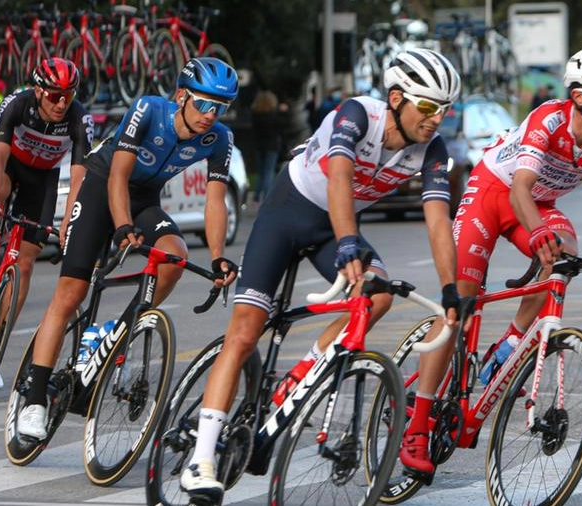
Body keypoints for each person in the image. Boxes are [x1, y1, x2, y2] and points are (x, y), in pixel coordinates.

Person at [178, 47, 464, 502]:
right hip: (289, 212)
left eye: (445, 109)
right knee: (246, 331)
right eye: (428, 106)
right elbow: (338, 179)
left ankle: (301, 374)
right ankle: (202, 459)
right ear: (396, 98)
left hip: (333, 225)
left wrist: (450, 287)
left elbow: (437, 219)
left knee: (378, 294)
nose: (436, 118)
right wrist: (349, 241)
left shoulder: (431, 150)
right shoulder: (357, 115)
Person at [398, 45, 582, 478]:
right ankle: (416, 423)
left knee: (565, 258)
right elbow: (520, 187)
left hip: (539, 203)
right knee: (460, 304)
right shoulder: (550, 118)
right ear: (578, 95)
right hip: (493, 193)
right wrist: (538, 230)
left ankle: (508, 346)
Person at [15, 56, 240, 442]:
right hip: (103, 186)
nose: (210, 115)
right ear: (181, 96)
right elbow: (118, 174)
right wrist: (121, 228)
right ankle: (35, 400)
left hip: (145, 198)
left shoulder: (218, 139)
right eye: (203, 104)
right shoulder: (148, 110)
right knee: (71, 293)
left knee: (175, 255)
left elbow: (215, 200)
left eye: (220, 107)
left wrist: (219, 255)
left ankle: (116, 332)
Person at [0, 58, 92, 391]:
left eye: (68, 95)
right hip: (9, 164)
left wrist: (71, 220)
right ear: (39, 90)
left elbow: (80, 174)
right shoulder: (17, 103)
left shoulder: (78, 117)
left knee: (24, 264)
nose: (61, 102)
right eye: (55, 95)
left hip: (43, 179)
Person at [250, 89, 289, 204]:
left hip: (259, 145)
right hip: (272, 146)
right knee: (269, 171)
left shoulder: (255, 115)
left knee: (261, 172)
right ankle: (267, 196)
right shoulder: (274, 115)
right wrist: (284, 112)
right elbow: (284, 125)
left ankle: (257, 196)